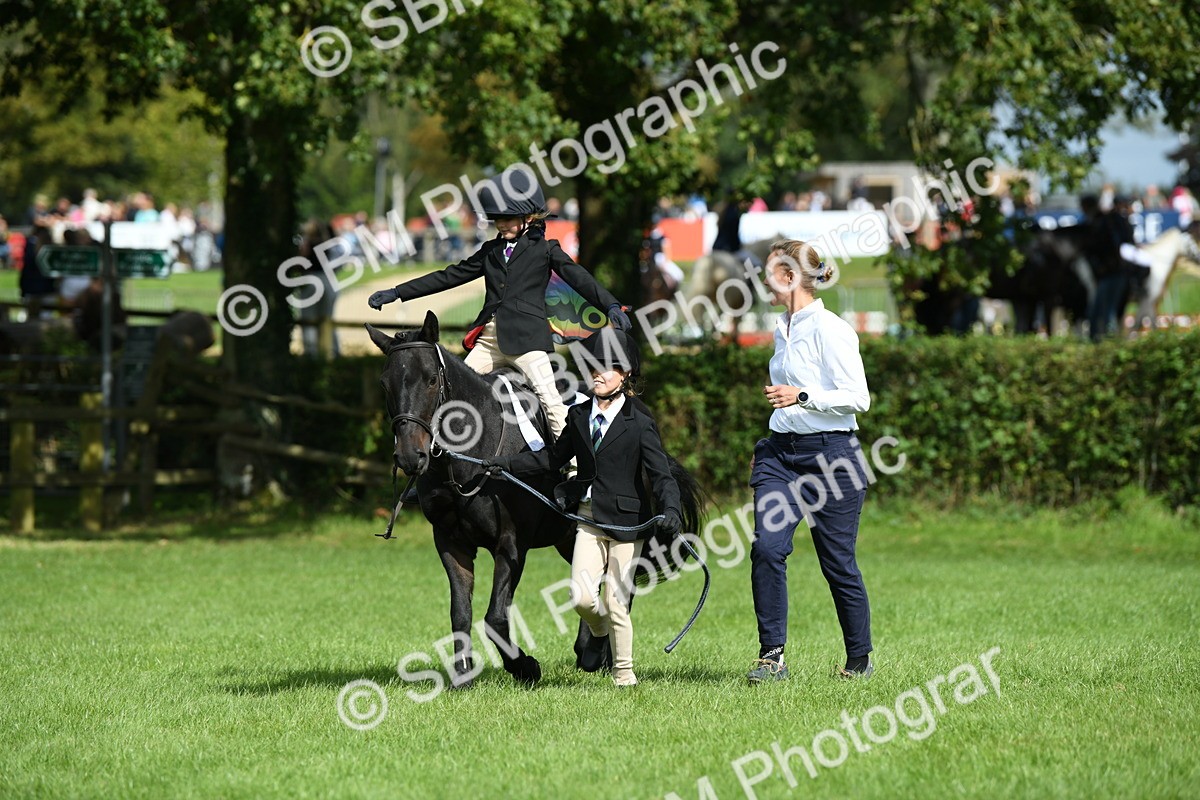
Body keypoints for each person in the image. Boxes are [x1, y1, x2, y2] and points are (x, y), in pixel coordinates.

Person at [368, 166, 630, 440]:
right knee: (449, 389)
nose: (501, 224)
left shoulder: (546, 250)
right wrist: (398, 291)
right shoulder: (490, 252)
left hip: (528, 342)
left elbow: (580, 278)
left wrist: (611, 306)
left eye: (508, 218)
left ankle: (575, 467)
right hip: (488, 343)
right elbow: (449, 276)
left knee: (552, 402)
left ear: (529, 217)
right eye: (497, 219)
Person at [484, 328, 683, 687]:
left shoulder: (639, 421)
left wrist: (672, 510)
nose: (597, 374)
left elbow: (662, 474)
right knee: (582, 600)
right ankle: (599, 631)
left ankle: (624, 675)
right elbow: (552, 458)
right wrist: (508, 464)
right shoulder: (578, 416)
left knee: (617, 602)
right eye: (592, 367)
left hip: (627, 524)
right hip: (588, 521)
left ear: (625, 375)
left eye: (606, 368)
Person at [746, 238, 873, 685]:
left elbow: (859, 398)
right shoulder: (783, 326)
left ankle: (859, 659)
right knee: (766, 547)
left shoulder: (832, 329)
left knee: (837, 563)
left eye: (768, 271)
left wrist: (801, 395)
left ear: (789, 276)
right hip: (782, 456)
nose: (763, 279)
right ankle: (771, 656)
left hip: (832, 458)